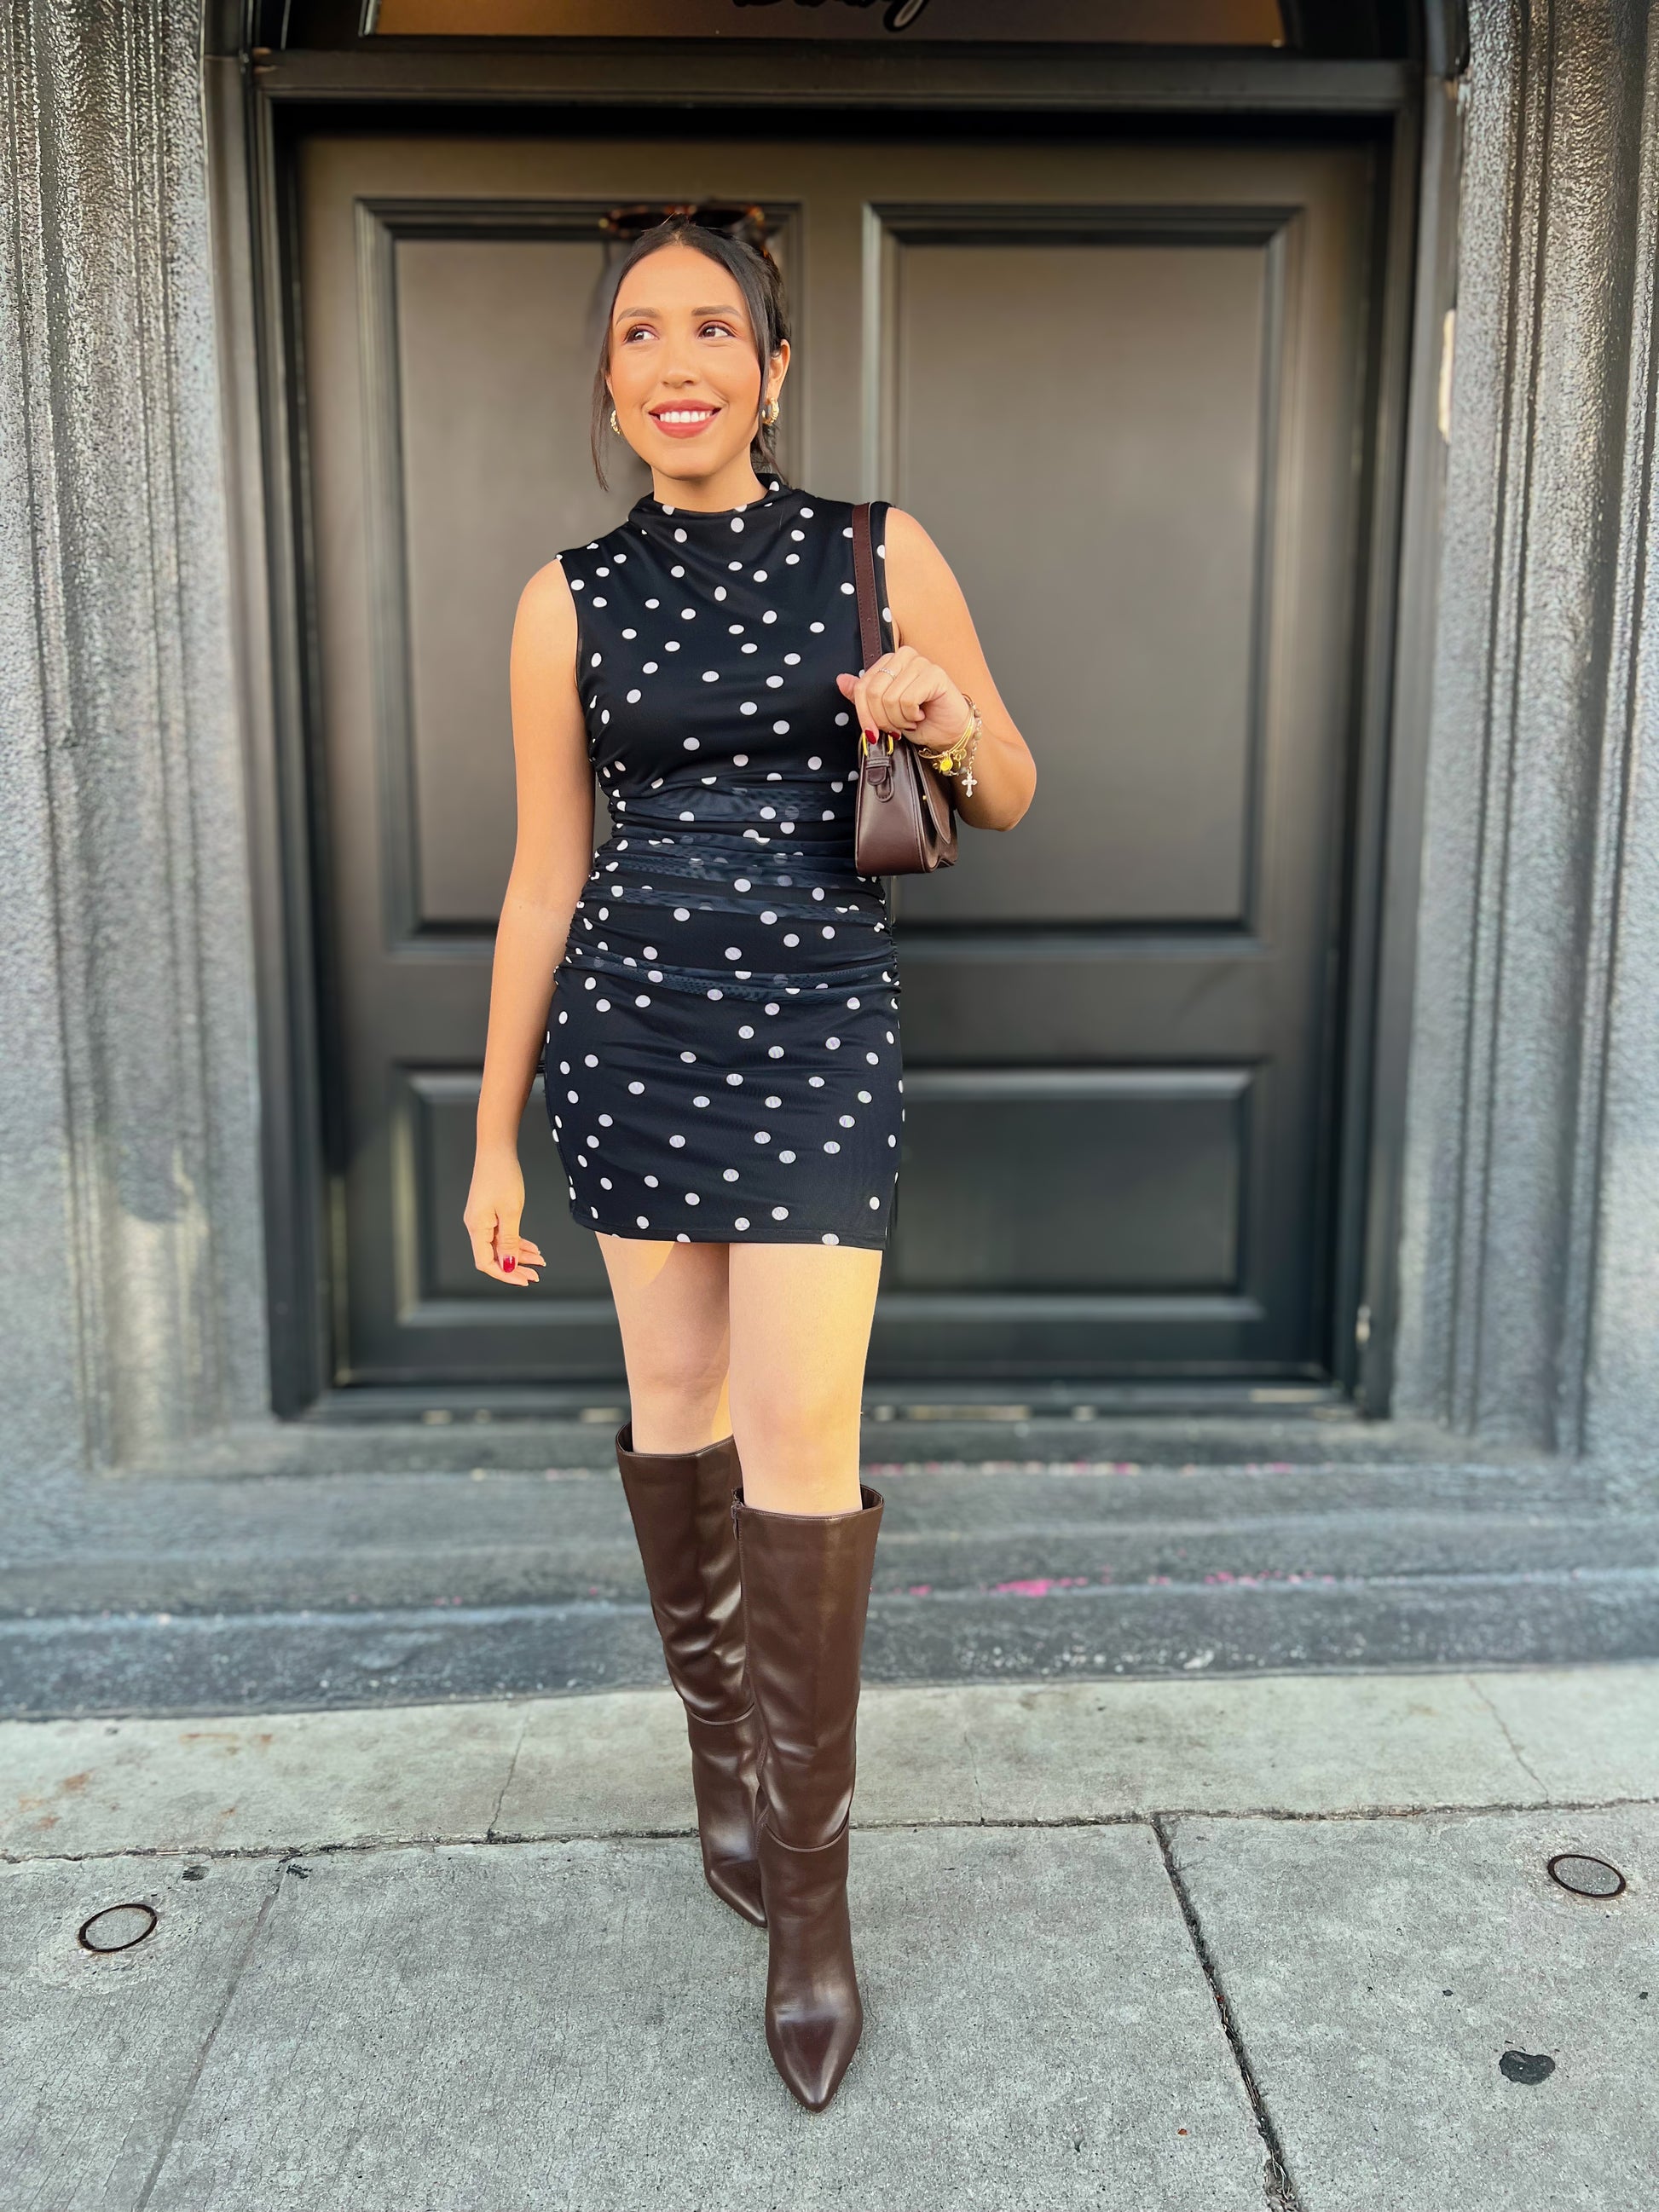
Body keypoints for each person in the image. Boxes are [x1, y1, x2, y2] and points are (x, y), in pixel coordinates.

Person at [465, 214, 1035, 2111]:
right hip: (630, 1037)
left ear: (773, 369)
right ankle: (724, 1755)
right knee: (675, 1405)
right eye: (643, 330)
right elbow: (546, 874)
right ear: (613, 379)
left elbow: (1016, 783)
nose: (679, 356)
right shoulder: (564, 597)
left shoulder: (879, 549)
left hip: (813, 1034)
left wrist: (948, 721)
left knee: (803, 1442)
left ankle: (811, 1897)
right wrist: (490, 1133)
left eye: (716, 324)